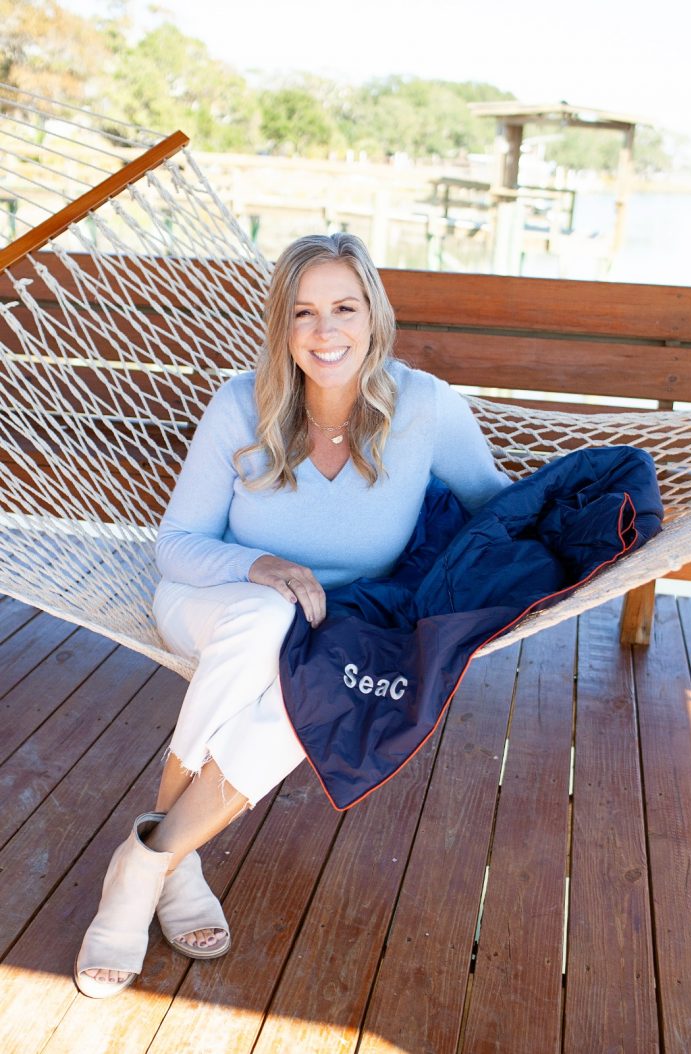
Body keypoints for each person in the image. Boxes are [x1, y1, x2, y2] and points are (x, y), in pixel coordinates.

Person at [74, 232, 510, 998]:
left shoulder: (426, 410)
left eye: (344, 308)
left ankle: (150, 865)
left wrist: (604, 527)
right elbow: (177, 546)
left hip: (331, 630)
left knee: (302, 685)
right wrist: (262, 567)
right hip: (212, 602)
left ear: (374, 317)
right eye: (304, 312)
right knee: (269, 621)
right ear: (283, 324)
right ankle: (165, 866)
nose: (324, 330)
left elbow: (499, 507)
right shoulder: (241, 405)